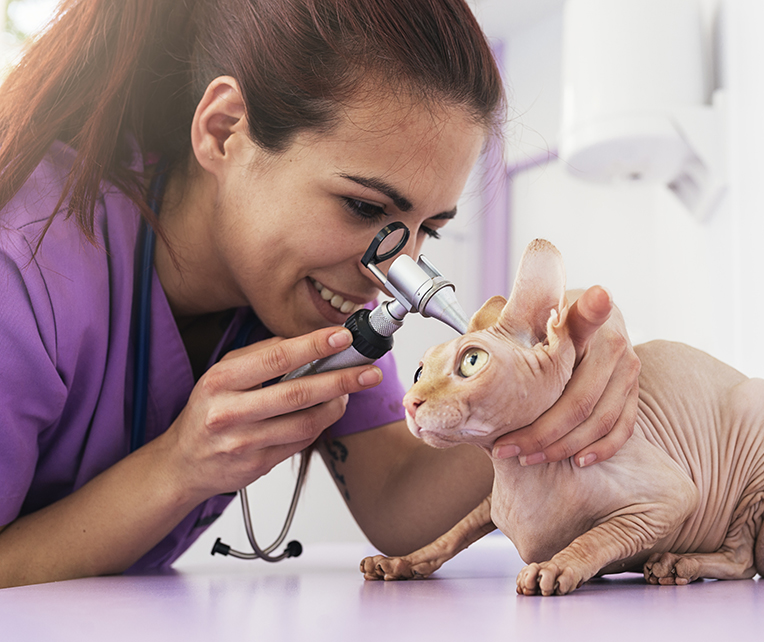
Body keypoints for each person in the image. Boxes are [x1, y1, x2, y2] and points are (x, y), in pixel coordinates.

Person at [0, 0, 640, 588]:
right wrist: (180, 467)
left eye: (427, 232)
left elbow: (396, 500)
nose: (394, 270)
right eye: (363, 206)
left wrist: (541, 382)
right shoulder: (23, 267)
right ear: (224, 131)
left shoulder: (331, 293)